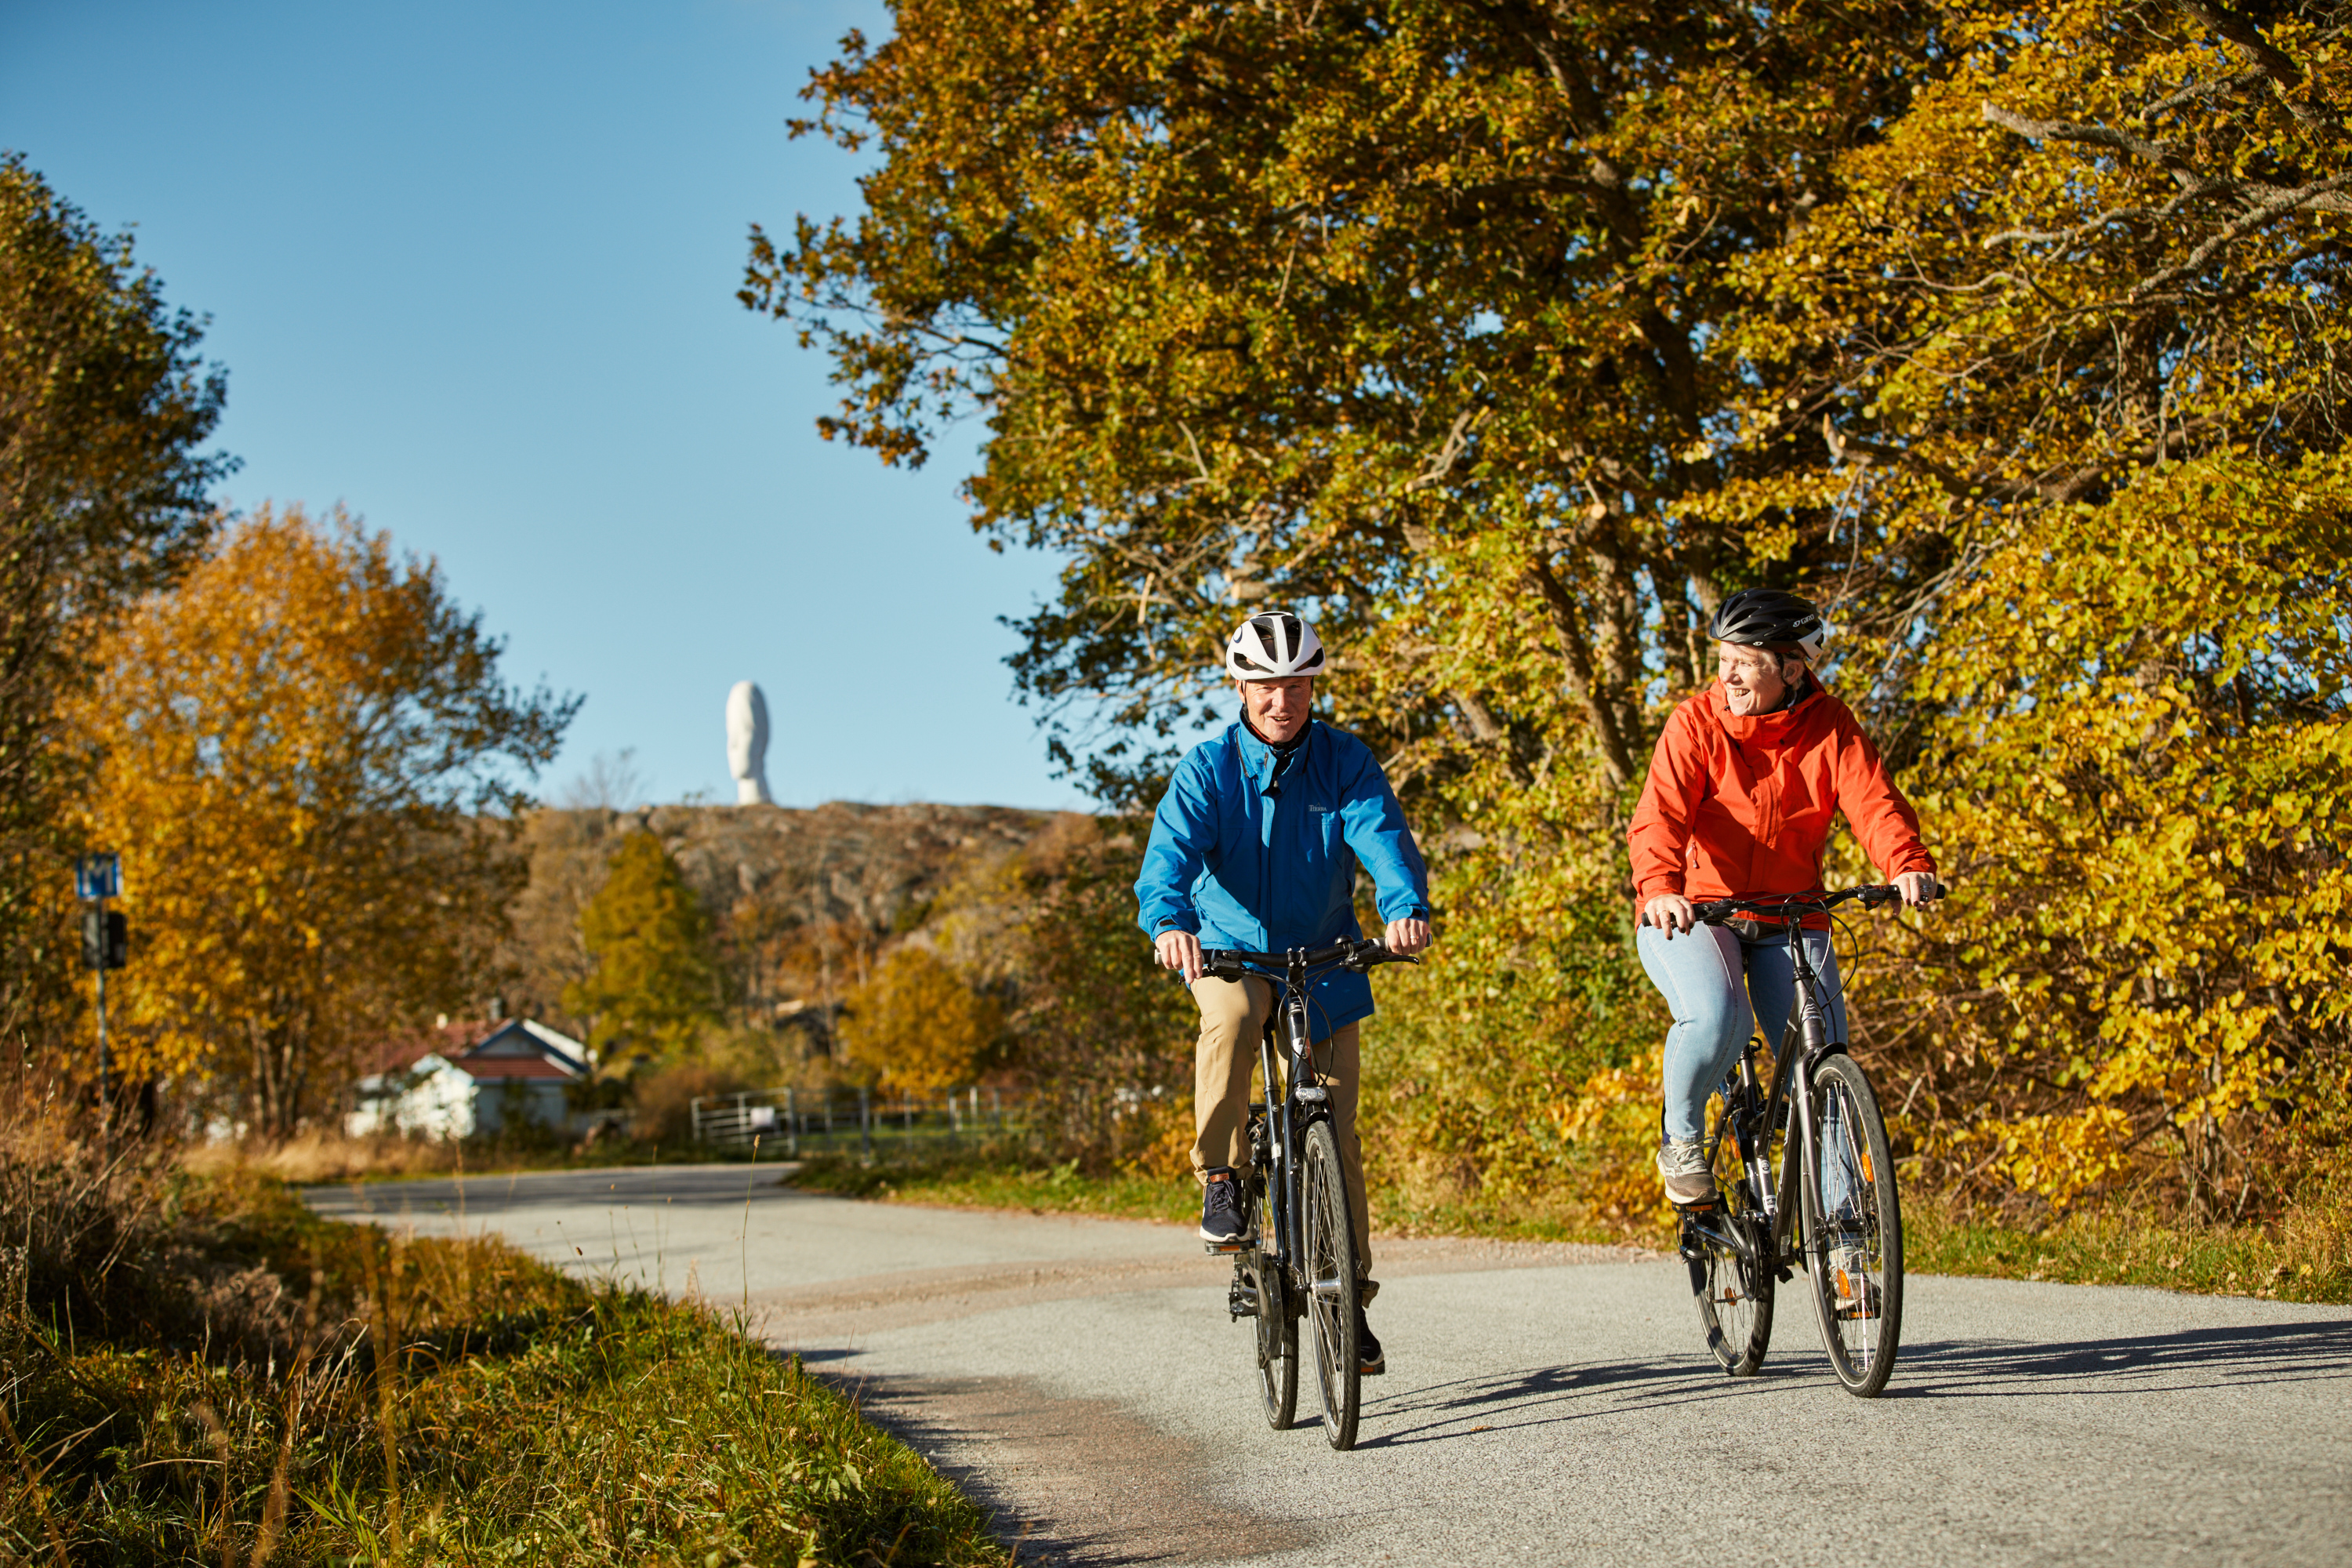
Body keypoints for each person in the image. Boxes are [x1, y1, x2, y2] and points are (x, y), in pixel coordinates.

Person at [1136, 611, 1432, 1375]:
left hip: (1326, 953)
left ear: (1312, 685)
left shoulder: (1345, 760)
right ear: (1239, 686)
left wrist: (1403, 906)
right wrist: (1170, 920)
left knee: (1336, 1126)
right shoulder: (1208, 768)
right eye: (1266, 684)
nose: (1281, 699)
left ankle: (1347, 1301)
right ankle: (1223, 1177)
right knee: (1231, 1024)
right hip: (1230, 951)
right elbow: (1170, 851)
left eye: (1296, 683)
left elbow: (1380, 833)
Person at [1627, 588, 1938, 1206]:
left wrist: (1905, 863)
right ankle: (1682, 1137)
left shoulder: (1831, 727)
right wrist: (1661, 888)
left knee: (1822, 1064)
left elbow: (1874, 802)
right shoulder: (1695, 723)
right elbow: (1659, 816)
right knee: (1720, 1016)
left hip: (1792, 914)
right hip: (1695, 911)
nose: (1729, 673)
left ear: (1792, 668)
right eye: (1725, 659)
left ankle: (1847, 1249)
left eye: (1747, 660)